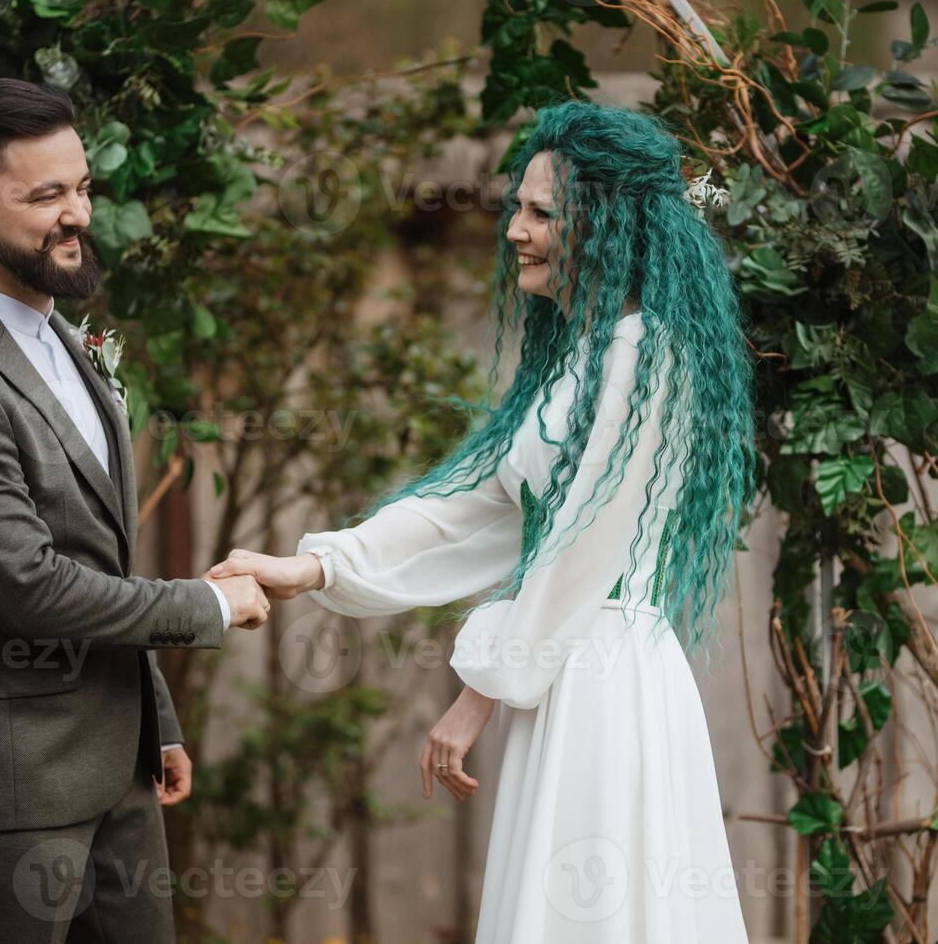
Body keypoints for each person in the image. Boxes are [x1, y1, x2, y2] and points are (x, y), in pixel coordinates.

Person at [208, 100, 755, 942]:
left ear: (604, 225)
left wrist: (478, 694)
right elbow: (469, 511)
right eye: (517, 208)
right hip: (563, 677)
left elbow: (584, 547)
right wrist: (315, 566)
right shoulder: (582, 356)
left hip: (605, 682)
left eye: (542, 212)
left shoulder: (649, 358)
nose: (515, 231)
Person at [0, 77, 269, 944]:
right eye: (45, 194)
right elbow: (31, 587)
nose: (77, 214)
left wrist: (154, 719)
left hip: (117, 767)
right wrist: (203, 604)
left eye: (82, 187)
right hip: (10, 781)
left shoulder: (62, 336)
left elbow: (95, 553)